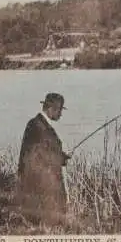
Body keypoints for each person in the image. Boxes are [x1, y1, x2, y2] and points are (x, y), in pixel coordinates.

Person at [15, 92, 71, 226]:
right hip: (41, 187)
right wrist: (60, 158)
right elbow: (40, 156)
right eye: (60, 111)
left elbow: (44, 150)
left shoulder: (38, 124)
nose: (60, 114)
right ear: (52, 109)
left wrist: (61, 156)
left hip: (40, 186)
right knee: (46, 224)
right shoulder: (38, 126)